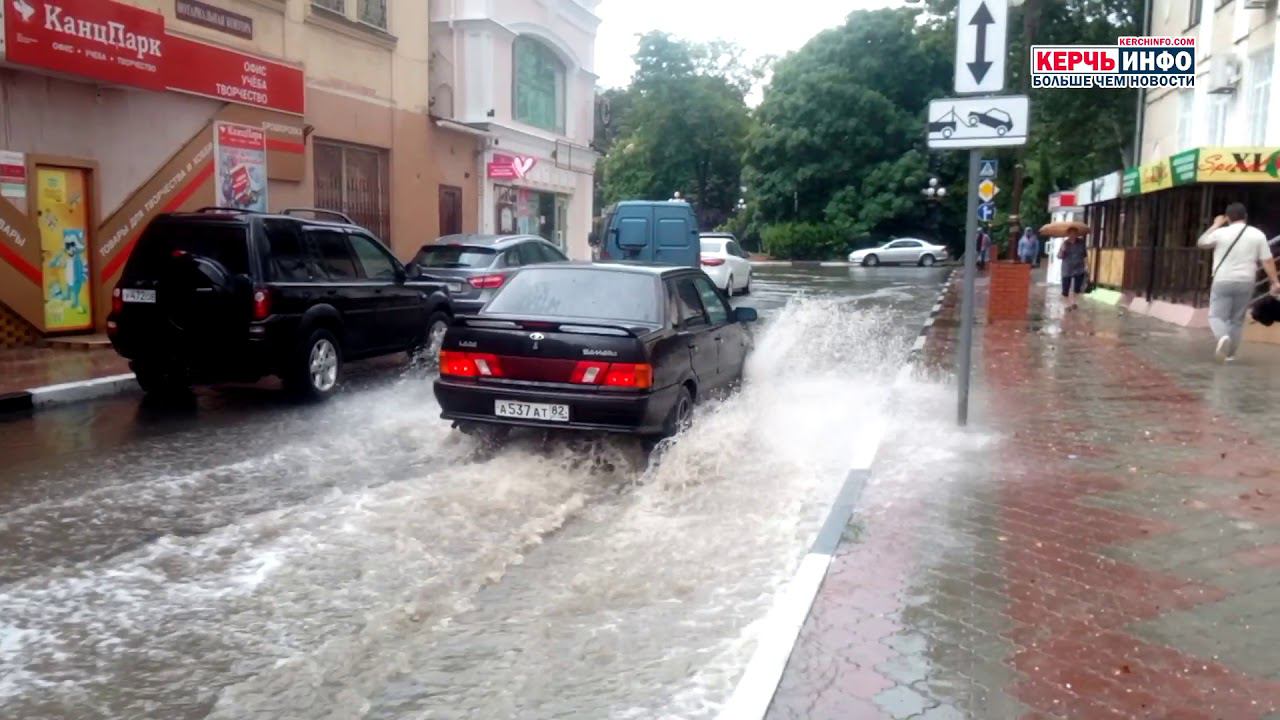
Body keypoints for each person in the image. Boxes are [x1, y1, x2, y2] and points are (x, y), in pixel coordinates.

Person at [1196, 202, 1280, 363]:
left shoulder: (1221, 233)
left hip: (1223, 279)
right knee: (1237, 319)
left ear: (1228, 218)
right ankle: (1230, 355)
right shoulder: (1257, 234)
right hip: (1246, 281)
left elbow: (1202, 242)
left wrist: (1215, 224)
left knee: (1216, 315)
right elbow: (1267, 260)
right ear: (1245, 217)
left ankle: (1223, 337)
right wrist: (1274, 281)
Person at [1057, 229, 1088, 311]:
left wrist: (1086, 266)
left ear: (1077, 234)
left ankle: (1074, 302)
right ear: (1068, 234)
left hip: (1079, 268)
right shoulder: (1065, 243)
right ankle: (1067, 305)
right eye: (1071, 234)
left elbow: (1085, 255)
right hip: (1067, 268)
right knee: (1065, 289)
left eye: (1074, 233)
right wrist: (1062, 250)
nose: (1072, 235)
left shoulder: (1081, 243)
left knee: (1077, 287)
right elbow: (1059, 256)